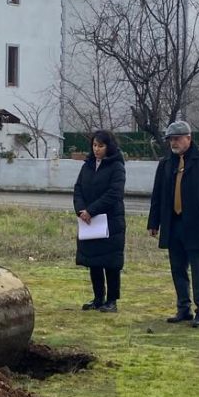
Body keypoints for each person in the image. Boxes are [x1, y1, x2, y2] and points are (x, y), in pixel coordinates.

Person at [147, 120, 199, 327]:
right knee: (177, 268)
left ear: (188, 138)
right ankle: (183, 308)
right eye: (171, 139)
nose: (174, 142)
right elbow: (157, 195)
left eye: (178, 138)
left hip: (196, 225)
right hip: (173, 224)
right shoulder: (165, 164)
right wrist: (154, 222)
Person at [72, 130, 127, 313]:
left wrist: (92, 210)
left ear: (108, 147)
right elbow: (78, 188)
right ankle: (97, 298)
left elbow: (114, 193)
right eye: (95, 145)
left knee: (110, 262)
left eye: (101, 146)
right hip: (88, 221)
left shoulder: (116, 166)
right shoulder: (87, 165)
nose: (97, 149)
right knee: (93, 261)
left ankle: (112, 300)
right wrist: (81, 210)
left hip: (110, 221)